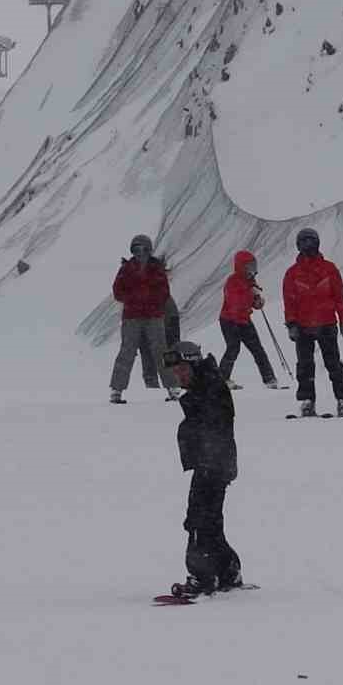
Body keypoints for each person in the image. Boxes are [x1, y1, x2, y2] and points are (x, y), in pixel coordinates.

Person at [165, 340, 242, 598]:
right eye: (176, 372)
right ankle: (228, 570)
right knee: (209, 522)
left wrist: (209, 459)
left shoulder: (209, 387)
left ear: (194, 364)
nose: (179, 376)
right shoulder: (206, 385)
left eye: (182, 370)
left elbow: (214, 426)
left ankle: (202, 577)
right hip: (212, 463)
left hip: (213, 464)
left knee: (198, 522)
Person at [282, 227, 343, 418]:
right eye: (304, 241)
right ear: (298, 245)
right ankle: (307, 401)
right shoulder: (292, 273)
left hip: (326, 323)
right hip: (303, 325)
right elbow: (289, 301)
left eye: (311, 241)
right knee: (305, 365)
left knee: (333, 363)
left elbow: (339, 296)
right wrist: (291, 324)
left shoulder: (329, 269)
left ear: (317, 243)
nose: (308, 245)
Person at [109, 234, 177, 404]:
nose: (140, 252)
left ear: (149, 249)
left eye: (143, 248)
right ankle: (116, 390)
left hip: (153, 316)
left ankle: (173, 387)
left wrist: (149, 300)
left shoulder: (156, 268)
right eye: (136, 249)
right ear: (132, 250)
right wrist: (135, 299)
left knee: (162, 351)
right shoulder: (126, 269)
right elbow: (117, 291)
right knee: (127, 351)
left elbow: (164, 292)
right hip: (132, 317)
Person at [218, 251, 279, 390]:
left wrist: (257, 302)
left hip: (243, 320)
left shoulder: (250, 281)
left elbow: (249, 303)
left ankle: (269, 379)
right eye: (249, 266)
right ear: (241, 267)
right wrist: (251, 294)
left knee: (257, 349)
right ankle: (222, 379)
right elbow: (235, 303)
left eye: (253, 266)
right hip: (230, 320)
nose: (252, 269)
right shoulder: (232, 281)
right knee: (233, 348)